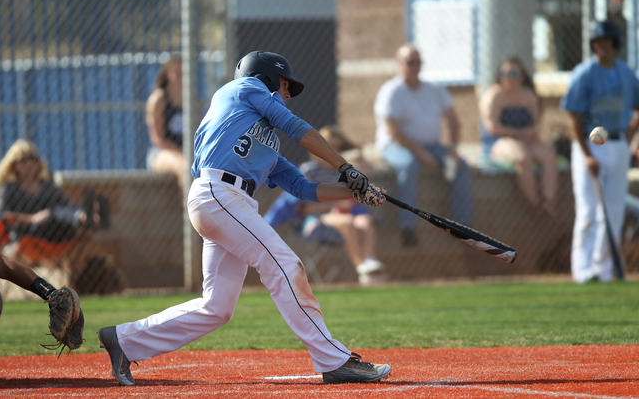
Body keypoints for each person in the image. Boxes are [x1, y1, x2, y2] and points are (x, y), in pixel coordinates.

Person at [97, 50, 391, 386]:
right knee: (286, 265)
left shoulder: (265, 139)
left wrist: (356, 190)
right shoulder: (242, 89)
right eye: (284, 86)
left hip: (230, 203)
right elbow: (295, 127)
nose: (287, 94)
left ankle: (124, 340)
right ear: (263, 76)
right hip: (218, 193)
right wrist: (345, 166)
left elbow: (305, 188)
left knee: (217, 307)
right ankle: (334, 359)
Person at [561, 19, 639, 283]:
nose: (601, 46)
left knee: (615, 209)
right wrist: (586, 154)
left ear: (614, 44)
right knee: (588, 208)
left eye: (606, 41)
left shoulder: (626, 73)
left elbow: (637, 105)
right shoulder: (584, 73)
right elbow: (573, 116)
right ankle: (583, 271)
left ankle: (605, 270)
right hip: (590, 143)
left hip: (617, 143)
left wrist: (630, 132)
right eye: (597, 42)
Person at [374, 43, 473, 247]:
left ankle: (462, 227)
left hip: (431, 146)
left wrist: (453, 150)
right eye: (410, 62)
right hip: (396, 146)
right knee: (410, 165)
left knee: (460, 165)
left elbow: (453, 120)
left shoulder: (434, 89)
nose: (414, 66)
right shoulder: (392, 91)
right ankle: (407, 227)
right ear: (399, 64)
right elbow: (392, 130)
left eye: (418, 62)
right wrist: (419, 152)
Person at [265, 125, 387, 285]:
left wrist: (361, 167)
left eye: (338, 147)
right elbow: (303, 207)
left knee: (365, 221)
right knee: (348, 222)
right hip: (315, 220)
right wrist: (332, 207)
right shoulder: (309, 170)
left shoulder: (341, 172)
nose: (334, 150)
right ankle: (363, 270)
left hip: (341, 217)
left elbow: (355, 197)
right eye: (330, 146)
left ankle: (370, 261)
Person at [0, 139, 105, 266]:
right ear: (14, 165)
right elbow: (2, 215)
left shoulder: (47, 186)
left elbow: (68, 204)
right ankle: (84, 218)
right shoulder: (9, 189)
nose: (28, 164)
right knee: (53, 213)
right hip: (27, 236)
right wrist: (32, 218)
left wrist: (74, 212)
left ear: (37, 162)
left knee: (59, 214)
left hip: (55, 234)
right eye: (22, 160)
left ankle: (85, 219)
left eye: (32, 158)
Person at [479, 56, 558, 216]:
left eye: (514, 74)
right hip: (499, 140)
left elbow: (537, 122)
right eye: (505, 74)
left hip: (526, 139)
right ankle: (535, 205)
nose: (509, 78)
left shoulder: (528, 95)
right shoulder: (493, 96)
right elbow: (492, 128)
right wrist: (518, 133)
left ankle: (549, 203)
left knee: (549, 156)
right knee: (523, 157)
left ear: (522, 76)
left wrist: (531, 132)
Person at [145, 56, 186, 193]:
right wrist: (180, 153)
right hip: (161, 153)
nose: (180, 77)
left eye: (184, 72)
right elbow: (157, 139)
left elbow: (195, 135)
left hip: (185, 152)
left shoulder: (193, 100)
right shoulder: (158, 99)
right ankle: (190, 212)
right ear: (168, 74)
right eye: (176, 72)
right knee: (185, 167)